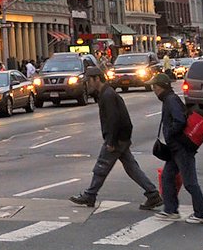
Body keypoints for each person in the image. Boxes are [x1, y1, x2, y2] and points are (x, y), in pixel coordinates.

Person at [69, 68, 162, 210]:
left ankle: (90, 194)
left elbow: (113, 119)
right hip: (121, 137)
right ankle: (152, 194)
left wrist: (111, 141)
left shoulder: (107, 95)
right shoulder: (106, 93)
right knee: (131, 168)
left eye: (89, 81)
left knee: (101, 166)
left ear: (97, 79)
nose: (88, 84)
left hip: (117, 138)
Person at [151, 73, 203, 224]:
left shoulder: (170, 100)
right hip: (175, 148)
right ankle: (171, 210)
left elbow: (179, 120)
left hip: (181, 148)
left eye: (155, 87)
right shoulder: (168, 99)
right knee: (167, 177)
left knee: (190, 181)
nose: (153, 90)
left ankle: (202, 214)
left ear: (161, 87)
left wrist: (170, 134)